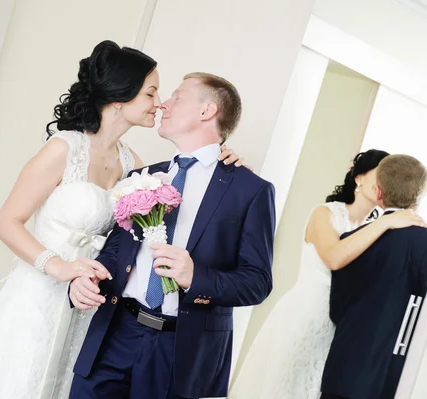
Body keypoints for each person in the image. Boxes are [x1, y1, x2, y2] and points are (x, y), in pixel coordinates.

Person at [0, 40, 243, 399]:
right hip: (40, 295)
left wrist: (220, 157)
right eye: (151, 93)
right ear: (120, 98)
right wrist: (57, 267)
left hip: (92, 303)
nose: (160, 102)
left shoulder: (134, 165)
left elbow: (133, 236)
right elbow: (6, 222)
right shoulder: (64, 148)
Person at [67, 72, 276, 399]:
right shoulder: (141, 177)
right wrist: (85, 279)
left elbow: (257, 282)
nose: (163, 104)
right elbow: (115, 253)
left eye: (177, 97)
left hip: (181, 352)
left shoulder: (249, 191)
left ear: (206, 111)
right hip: (115, 336)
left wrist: (196, 277)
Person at [229, 150, 427, 399]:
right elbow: (333, 257)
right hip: (308, 313)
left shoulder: (379, 227)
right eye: (379, 174)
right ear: (359, 178)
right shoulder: (325, 213)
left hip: (343, 324)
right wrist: (386, 222)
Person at [321, 154, 427, 399]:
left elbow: (336, 311)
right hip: (389, 374)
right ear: (421, 193)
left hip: (342, 370)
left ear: (378, 192)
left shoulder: (349, 241)